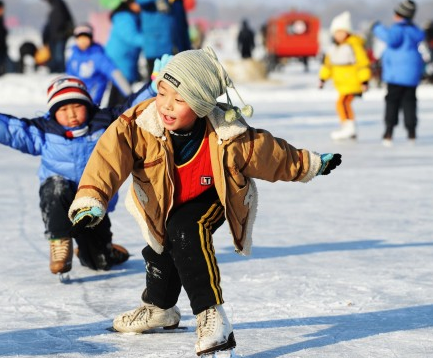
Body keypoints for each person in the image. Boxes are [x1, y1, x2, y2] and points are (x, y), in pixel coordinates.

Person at [68, 47, 342, 356]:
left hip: (210, 196)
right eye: (162, 93)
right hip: (161, 201)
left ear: (200, 105)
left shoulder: (229, 133)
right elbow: (107, 159)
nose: (166, 106)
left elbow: (270, 155)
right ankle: (160, 307)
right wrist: (92, 197)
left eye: (180, 99)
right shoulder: (137, 125)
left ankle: (212, 317)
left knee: (186, 231)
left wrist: (309, 164)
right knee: (160, 248)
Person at [0, 74, 159, 276]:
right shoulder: (44, 131)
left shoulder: (105, 123)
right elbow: (11, 129)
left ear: (88, 105)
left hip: (93, 203)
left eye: (77, 107)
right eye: (63, 109)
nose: (71, 115)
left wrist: (153, 85)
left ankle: (103, 251)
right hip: (58, 195)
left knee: (98, 263)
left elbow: (132, 109)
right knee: (56, 186)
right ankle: (60, 242)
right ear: (53, 112)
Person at [372, 0, 425, 146]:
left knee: (392, 102)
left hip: (396, 74)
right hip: (411, 74)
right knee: (410, 102)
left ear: (400, 15)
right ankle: (411, 132)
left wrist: (377, 28)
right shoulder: (415, 30)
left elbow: (391, 40)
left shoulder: (397, 29)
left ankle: (388, 132)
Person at [319, 11, 371, 141]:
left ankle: (349, 127)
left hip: (353, 82)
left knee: (342, 102)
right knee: (343, 103)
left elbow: (362, 63)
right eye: (336, 32)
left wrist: (364, 80)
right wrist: (322, 79)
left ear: (347, 32)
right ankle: (348, 127)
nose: (339, 35)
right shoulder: (334, 48)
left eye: (341, 32)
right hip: (341, 84)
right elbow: (328, 65)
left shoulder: (353, 45)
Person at [66, 24, 132, 106]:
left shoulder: (98, 56)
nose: (83, 41)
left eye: (86, 38)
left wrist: (129, 93)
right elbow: (70, 76)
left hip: (93, 101)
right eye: (80, 38)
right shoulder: (73, 55)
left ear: (91, 39)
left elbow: (114, 73)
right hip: (77, 96)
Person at [105, 0, 144, 107]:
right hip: (120, 58)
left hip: (125, 57)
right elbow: (131, 37)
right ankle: (115, 114)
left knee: (119, 88)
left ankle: (114, 113)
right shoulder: (124, 17)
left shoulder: (130, 16)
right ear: (130, 3)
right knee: (121, 89)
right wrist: (150, 41)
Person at [136, 0, 191, 74]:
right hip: (156, 50)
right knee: (156, 83)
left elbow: (182, 25)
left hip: (175, 50)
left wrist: (186, 49)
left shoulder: (177, 3)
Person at [42, 0, 74, 73]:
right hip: (53, 38)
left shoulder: (59, 5)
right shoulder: (53, 7)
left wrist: (66, 32)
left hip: (60, 36)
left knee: (59, 57)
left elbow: (68, 20)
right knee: (54, 56)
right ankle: (55, 71)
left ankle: (60, 72)